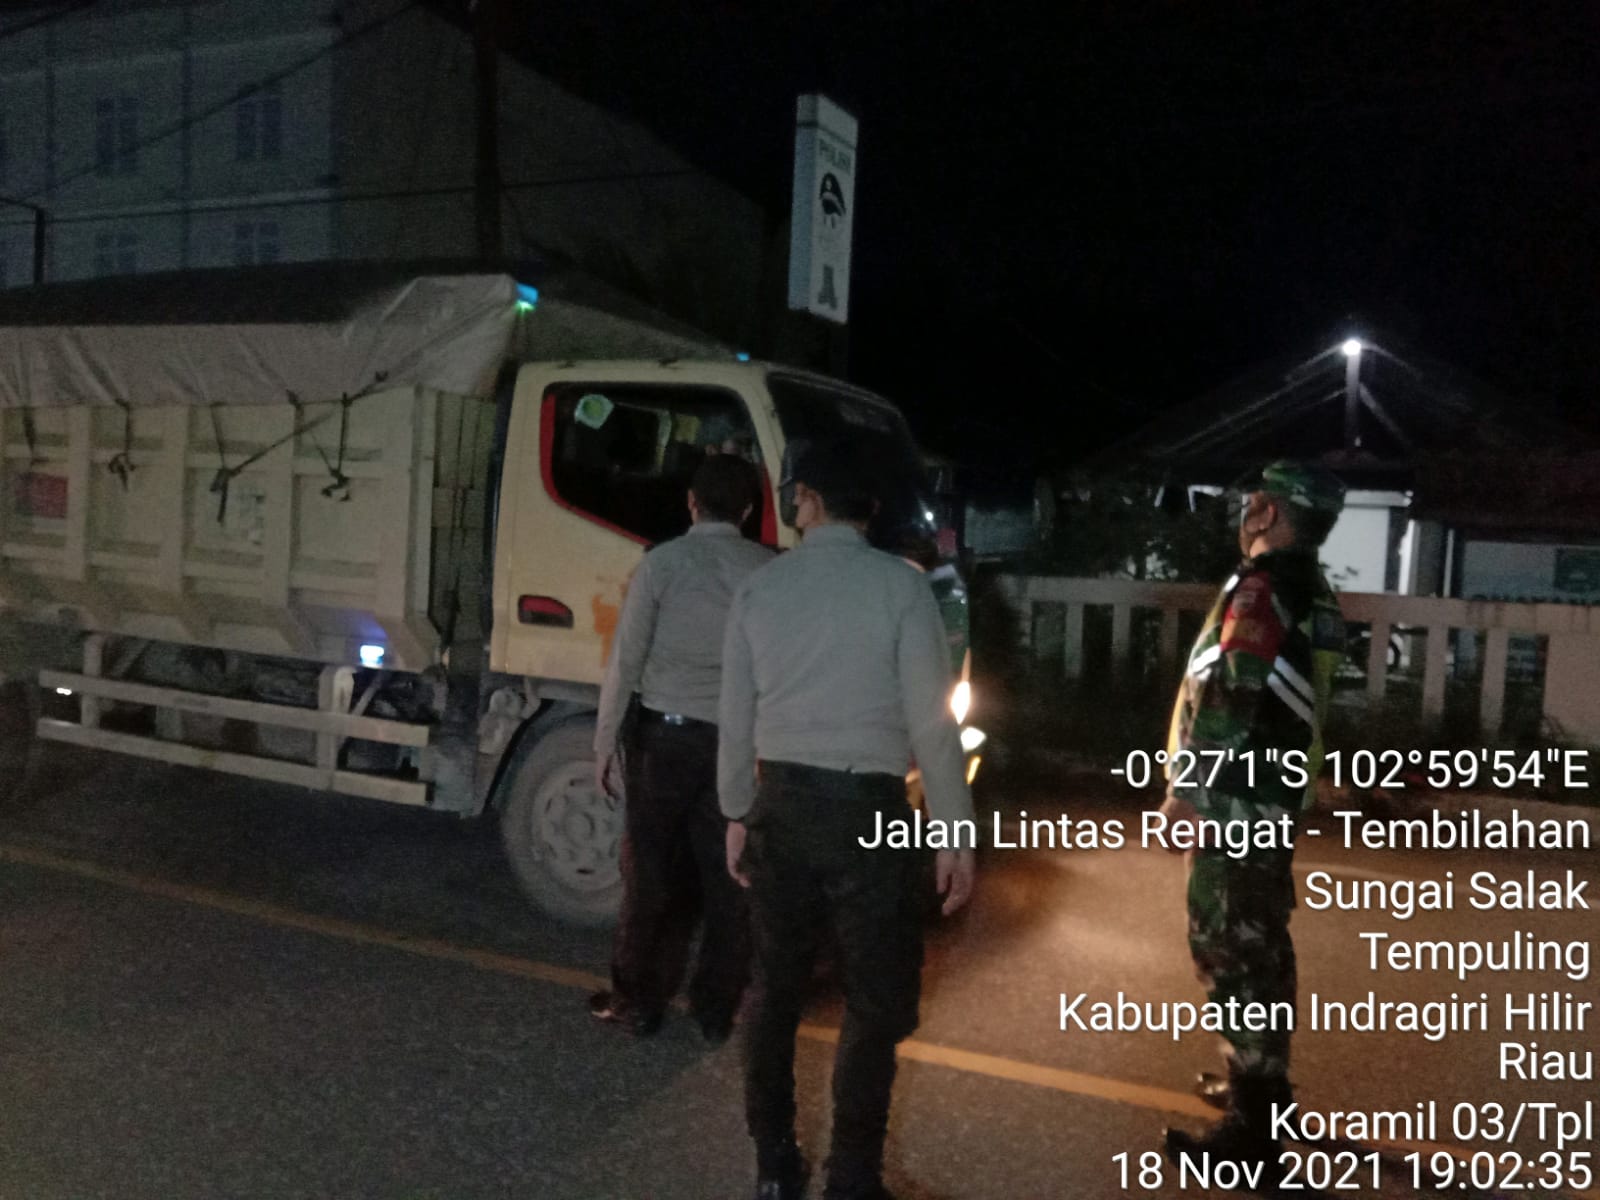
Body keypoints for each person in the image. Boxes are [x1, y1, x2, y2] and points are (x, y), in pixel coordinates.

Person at [718, 438, 977, 1200]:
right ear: (871, 509)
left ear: (808, 502)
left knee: (774, 990)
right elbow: (934, 724)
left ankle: (774, 1163)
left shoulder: (760, 589)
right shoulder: (902, 589)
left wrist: (737, 812)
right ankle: (853, 1177)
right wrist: (954, 834)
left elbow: (736, 721)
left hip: (782, 804)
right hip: (871, 812)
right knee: (875, 999)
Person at [1159, 460, 1347, 1183]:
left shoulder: (1265, 588)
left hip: (1235, 800)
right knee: (1264, 943)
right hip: (1271, 798)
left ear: (1269, 511)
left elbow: (1232, 692)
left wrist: (1189, 792)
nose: (1245, 510)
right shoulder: (1314, 591)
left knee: (1230, 948)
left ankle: (1251, 1131)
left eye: (1253, 501)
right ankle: (1264, 1088)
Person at [589, 454, 774, 1041]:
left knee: (649, 873)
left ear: (691, 503)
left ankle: (636, 1001)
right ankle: (715, 1008)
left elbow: (626, 661)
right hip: (733, 744)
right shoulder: (767, 571)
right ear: (748, 510)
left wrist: (603, 744)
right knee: (729, 878)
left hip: (662, 742)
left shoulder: (662, 564)